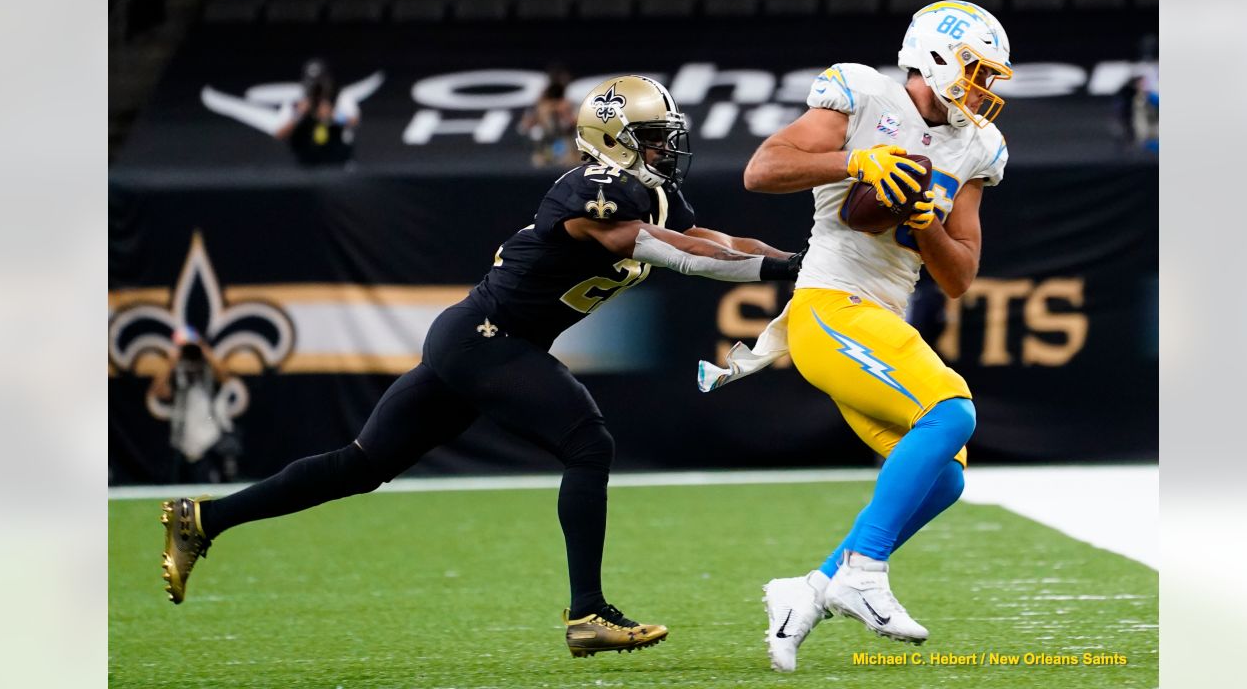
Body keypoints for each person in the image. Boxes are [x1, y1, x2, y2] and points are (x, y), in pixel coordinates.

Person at [161, 75, 804, 658]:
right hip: (484, 340)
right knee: (587, 442)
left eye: (667, 138)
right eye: (653, 139)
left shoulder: (652, 197)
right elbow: (668, 253)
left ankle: (203, 520)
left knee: (360, 466)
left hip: (481, 341)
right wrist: (774, 270)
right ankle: (587, 614)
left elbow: (715, 243)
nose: (666, 151)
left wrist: (799, 261)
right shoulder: (591, 187)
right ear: (613, 140)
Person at [699, 1, 1013, 672]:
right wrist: (855, 161)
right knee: (952, 409)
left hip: (877, 321)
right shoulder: (864, 94)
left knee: (946, 478)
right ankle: (863, 573)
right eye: (978, 71)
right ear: (935, 57)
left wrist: (928, 222)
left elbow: (958, 276)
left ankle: (808, 591)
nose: (986, 89)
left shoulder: (976, 145)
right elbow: (763, 169)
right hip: (826, 308)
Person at [147, 326, 242, 484]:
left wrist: (202, 349)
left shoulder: (209, 368)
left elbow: (225, 377)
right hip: (182, 439)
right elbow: (158, 392)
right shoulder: (177, 370)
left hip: (211, 437)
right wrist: (173, 361)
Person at [274, 58, 360, 167]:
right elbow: (279, 133)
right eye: (312, 83)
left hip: (337, 162)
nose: (317, 89)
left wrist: (334, 115)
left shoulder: (340, 97)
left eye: (320, 83)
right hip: (305, 164)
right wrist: (298, 115)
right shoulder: (295, 101)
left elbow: (354, 122)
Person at [519, 65, 582, 167]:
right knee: (539, 156)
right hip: (550, 142)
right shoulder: (541, 105)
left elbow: (574, 123)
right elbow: (525, 126)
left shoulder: (569, 103)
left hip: (567, 142)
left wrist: (565, 115)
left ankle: (567, 156)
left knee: (573, 158)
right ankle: (548, 155)